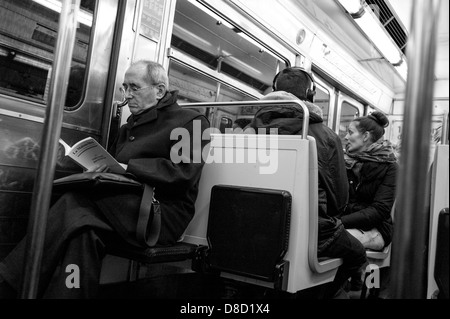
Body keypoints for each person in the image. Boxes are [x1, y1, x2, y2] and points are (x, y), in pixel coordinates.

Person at [0, 60, 210, 298]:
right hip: (121, 206)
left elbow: (183, 174)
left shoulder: (191, 122)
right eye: (124, 88)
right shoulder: (128, 127)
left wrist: (127, 167)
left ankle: (7, 285)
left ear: (159, 90)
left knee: (73, 203)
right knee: (83, 233)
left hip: (160, 213)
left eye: (134, 87)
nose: (127, 95)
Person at [249, 67, 368, 299]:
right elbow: (339, 201)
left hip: (255, 225)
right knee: (358, 254)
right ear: (311, 95)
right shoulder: (326, 136)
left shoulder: (249, 129)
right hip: (313, 232)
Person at [341, 112, 398, 252]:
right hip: (344, 221)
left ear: (365, 136)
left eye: (350, 132)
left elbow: (379, 210)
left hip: (376, 228)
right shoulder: (343, 161)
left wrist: (339, 222)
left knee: (337, 240)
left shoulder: (390, 167)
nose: (346, 137)